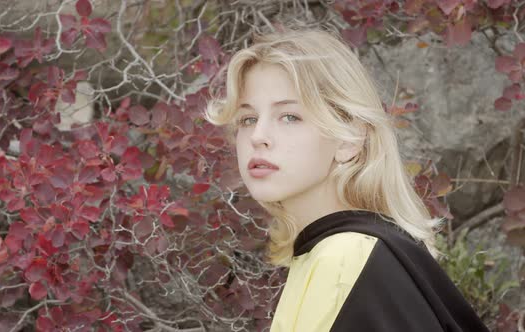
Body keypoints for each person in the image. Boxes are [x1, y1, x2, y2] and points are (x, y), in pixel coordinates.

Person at [202, 28, 490, 331]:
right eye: (248, 119)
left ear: (348, 140)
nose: (258, 136)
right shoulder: (328, 252)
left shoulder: (346, 258)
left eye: (290, 117)